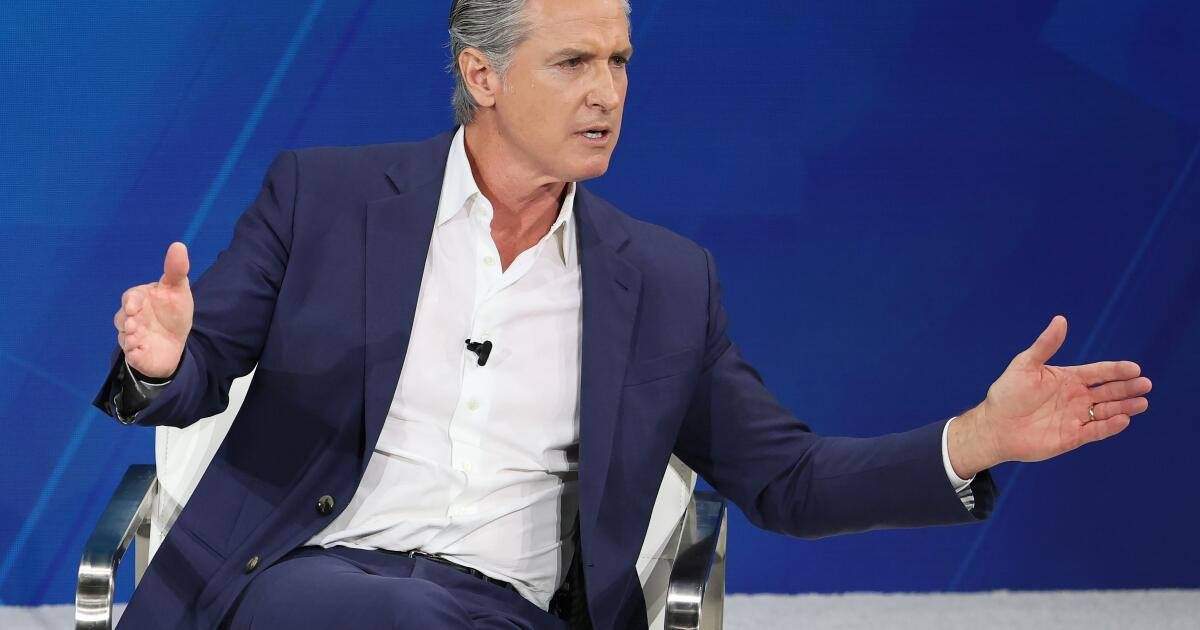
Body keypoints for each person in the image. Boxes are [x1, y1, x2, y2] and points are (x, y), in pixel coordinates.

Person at [94, 0, 1152, 628]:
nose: (607, 92)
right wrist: (165, 360)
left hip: (500, 611)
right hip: (298, 588)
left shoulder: (665, 285)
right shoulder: (323, 199)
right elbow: (197, 368)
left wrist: (976, 439)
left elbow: (786, 480)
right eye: (574, 62)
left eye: (619, 62)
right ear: (482, 75)